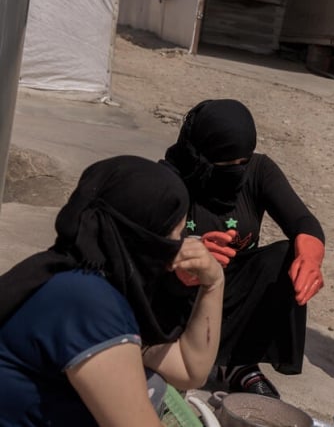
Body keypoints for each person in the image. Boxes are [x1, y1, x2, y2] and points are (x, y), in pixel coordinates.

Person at [0, 156, 224, 426]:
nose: (183, 246)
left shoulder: (69, 274)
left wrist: (214, 283)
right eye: (175, 235)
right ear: (143, 237)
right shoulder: (87, 303)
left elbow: (189, 370)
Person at [158, 98, 327, 400]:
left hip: (233, 288)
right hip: (181, 292)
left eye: (241, 163)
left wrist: (311, 257)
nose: (236, 171)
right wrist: (187, 255)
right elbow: (146, 249)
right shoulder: (169, 178)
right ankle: (174, 356)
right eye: (225, 165)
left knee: (286, 255)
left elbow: (302, 220)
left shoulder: (258, 170)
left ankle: (238, 363)